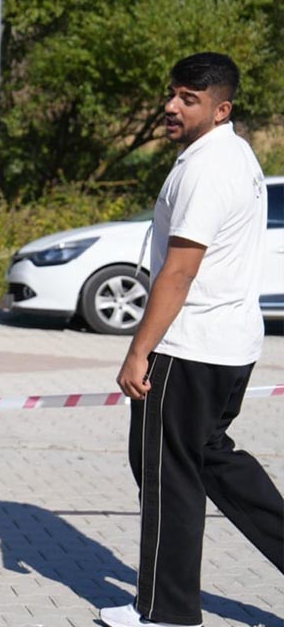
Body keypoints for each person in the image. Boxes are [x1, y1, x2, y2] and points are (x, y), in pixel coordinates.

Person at [102, 52, 282, 627]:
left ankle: (164, 612)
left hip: (189, 345)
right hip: (228, 344)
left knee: (165, 473)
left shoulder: (207, 168)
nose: (171, 107)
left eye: (189, 99)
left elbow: (178, 272)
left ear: (221, 107)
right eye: (172, 94)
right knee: (210, 462)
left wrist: (137, 350)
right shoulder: (233, 152)